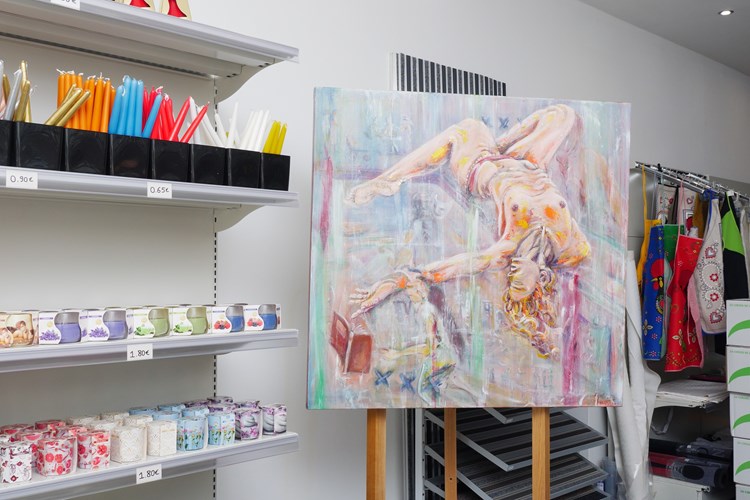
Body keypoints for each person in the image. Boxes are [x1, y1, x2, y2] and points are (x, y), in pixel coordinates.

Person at [348, 104, 593, 360]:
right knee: (563, 115)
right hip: (530, 163)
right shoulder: (572, 248)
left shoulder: (505, 250)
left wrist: (391, 283)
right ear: (541, 278)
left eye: (511, 281)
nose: (511, 274)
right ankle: (502, 143)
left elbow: (436, 272)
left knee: (466, 129)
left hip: (484, 169)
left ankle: (388, 181)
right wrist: (546, 334)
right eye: (519, 281)